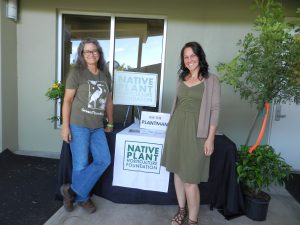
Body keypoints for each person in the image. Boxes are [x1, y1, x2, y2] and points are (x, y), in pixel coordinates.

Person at [161, 41, 220, 225]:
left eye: (192, 56)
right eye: (186, 57)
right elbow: (176, 105)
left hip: (197, 133)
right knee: (177, 173)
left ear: (199, 56)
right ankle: (181, 210)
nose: (189, 60)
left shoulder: (211, 80)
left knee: (190, 179)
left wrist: (210, 138)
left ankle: (193, 220)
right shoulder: (182, 78)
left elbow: (215, 110)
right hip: (176, 129)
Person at [60, 37, 113, 214]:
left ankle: (71, 191)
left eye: (95, 50)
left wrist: (110, 121)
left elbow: (109, 101)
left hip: (97, 126)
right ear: (82, 54)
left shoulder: (105, 74)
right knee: (81, 164)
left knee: (104, 160)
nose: (91, 54)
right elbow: (67, 101)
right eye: (87, 51)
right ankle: (82, 198)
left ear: (99, 53)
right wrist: (65, 126)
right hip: (78, 125)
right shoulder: (77, 73)